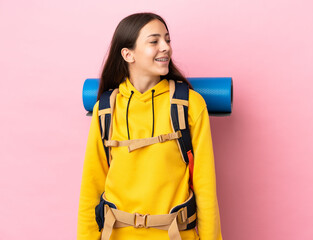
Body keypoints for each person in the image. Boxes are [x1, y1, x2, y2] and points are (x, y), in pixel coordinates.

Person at [77, 12, 223, 240]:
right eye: (154, 41)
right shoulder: (106, 109)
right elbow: (91, 189)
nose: (166, 47)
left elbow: (206, 190)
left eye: (167, 39)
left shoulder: (190, 105)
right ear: (128, 54)